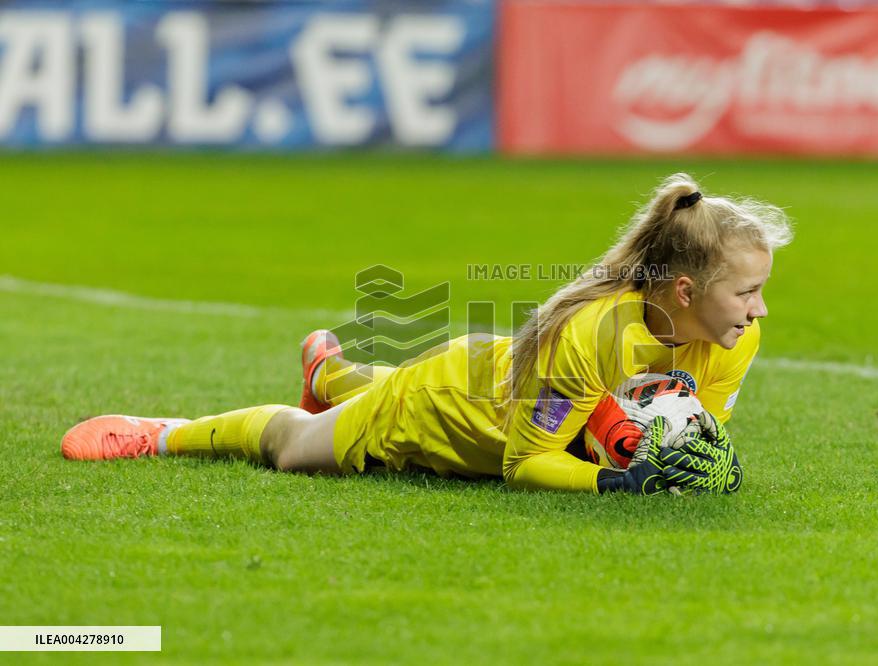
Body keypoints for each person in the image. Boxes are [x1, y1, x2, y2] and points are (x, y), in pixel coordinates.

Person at [61, 174, 793, 495]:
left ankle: (333, 378)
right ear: (688, 290)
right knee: (296, 451)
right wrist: (617, 478)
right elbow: (525, 460)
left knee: (341, 405)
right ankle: (164, 432)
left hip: (504, 387)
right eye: (748, 292)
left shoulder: (735, 338)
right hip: (447, 405)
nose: (760, 310)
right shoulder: (593, 333)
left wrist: (676, 459)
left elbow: (689, 428)